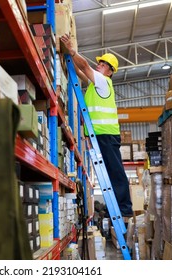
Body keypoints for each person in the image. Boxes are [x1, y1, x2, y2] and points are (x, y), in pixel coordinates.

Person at [60, 34, 133, 221]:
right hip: (100, 135)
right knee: (110, 173)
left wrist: (72, 50)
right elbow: (80, 71)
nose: (98, 65)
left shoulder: (103, 81)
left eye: (102, 64)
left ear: (110, 71)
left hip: (107, 135)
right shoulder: (95, 83)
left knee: (116, 172)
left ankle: (124, 209)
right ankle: (117, 207)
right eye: (99, 63)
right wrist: (67, 57)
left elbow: (85, 67)